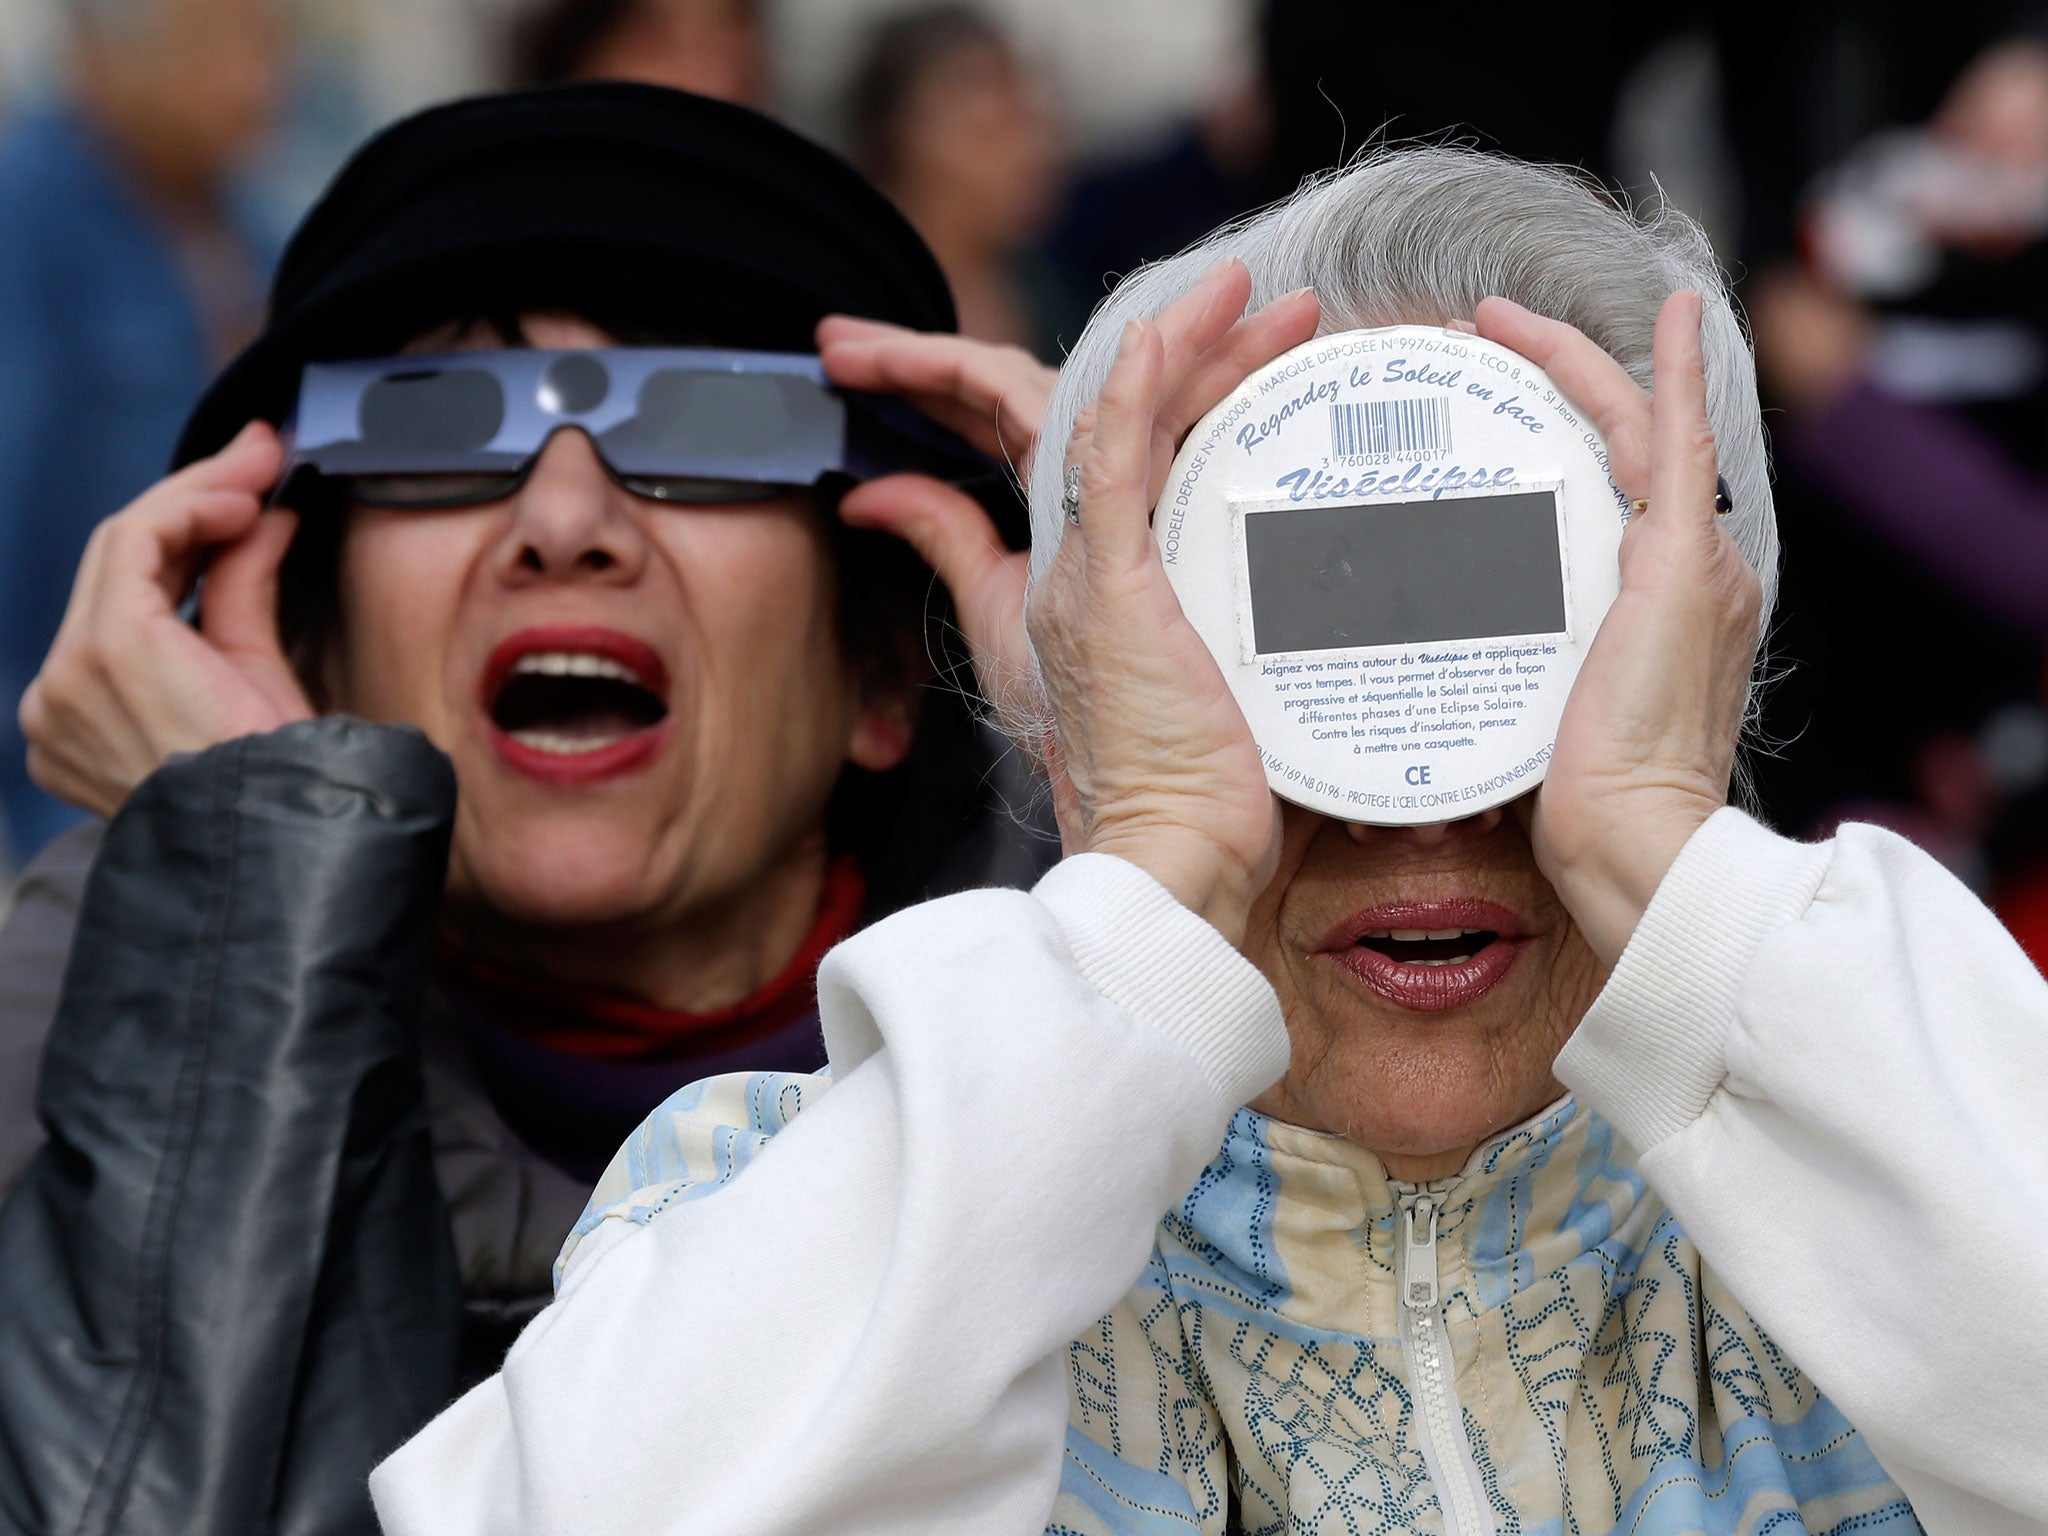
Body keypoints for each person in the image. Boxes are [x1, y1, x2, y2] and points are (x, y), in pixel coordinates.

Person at [368, 151, 2048, 1534]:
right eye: (1277, 637)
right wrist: (1141, 885)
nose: (1423, 800)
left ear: (1691, 670)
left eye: (1544, 649)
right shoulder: (776, 1196)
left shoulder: (1876, 1168)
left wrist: (1695, 903)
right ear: (1094, 701)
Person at [0, 82, 1059, 1535]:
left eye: (705, 424)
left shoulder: (1158, 1066)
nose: (565, 521)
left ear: (885, 665)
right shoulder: (60, 1052)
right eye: (436, 426)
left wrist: (1163, 846)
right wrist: (241, 913)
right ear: (298, 641)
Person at [0, 0, 285, 865]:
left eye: (272, 44)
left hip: (211, 728)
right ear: (106, 56)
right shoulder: (28, 218)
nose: (260, 80)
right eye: (223, 45)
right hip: (69, 756)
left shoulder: (248, 224)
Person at [845, 4, 1068, 355]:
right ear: (905, 137)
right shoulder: (848, 302)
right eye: (992, 130)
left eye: (1033, 123)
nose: (1036, 153)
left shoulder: (1052, 296)